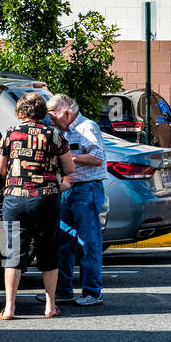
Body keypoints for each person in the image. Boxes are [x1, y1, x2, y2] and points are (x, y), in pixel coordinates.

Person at [0, 92, 75, 319]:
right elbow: (69, 169)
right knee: (48, 250)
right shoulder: (54, 134)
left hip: (15, 199)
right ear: (42, 113)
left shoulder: (10, 133)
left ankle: (9, 307)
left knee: (13, 252)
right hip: (46, 199)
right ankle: (50, 306)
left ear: (20, 112)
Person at [45, 94, 107, 307]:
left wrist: (68, 158)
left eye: (54, 118)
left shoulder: (87, 127)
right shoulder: (61, 131)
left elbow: (98, 157)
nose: (51, 122)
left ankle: (92, 292)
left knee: (88, 242)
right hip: (68, 188)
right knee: (63, 241)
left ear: (67, 113)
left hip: (86, 189)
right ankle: (63, 291)